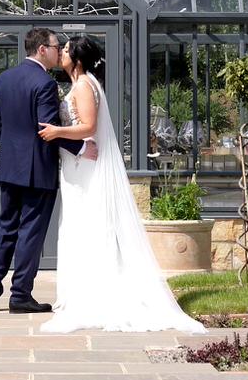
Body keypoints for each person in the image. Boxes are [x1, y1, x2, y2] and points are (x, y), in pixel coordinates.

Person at [35, 35, 205, 333]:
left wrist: (57, 131)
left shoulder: (84, 85)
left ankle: (93, 296)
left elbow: (88, 126)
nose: (61, 53)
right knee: (78, 226)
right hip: (76, 166)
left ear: (78, 59)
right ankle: (83, 293)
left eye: (66, 50)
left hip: (85, 166)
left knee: (85, 226)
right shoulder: (80, 84)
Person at [0, 27, 93, 313]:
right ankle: (20, 295)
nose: (59, 51)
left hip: (9, 166)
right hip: (37, 170)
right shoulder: (44, 83)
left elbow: (0, 125)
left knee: (5, 228)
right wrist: (81, 148)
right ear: (42, 49)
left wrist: (13, 153)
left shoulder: (4, 79)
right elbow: (47, 129)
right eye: (56, 46)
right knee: (30, 231)